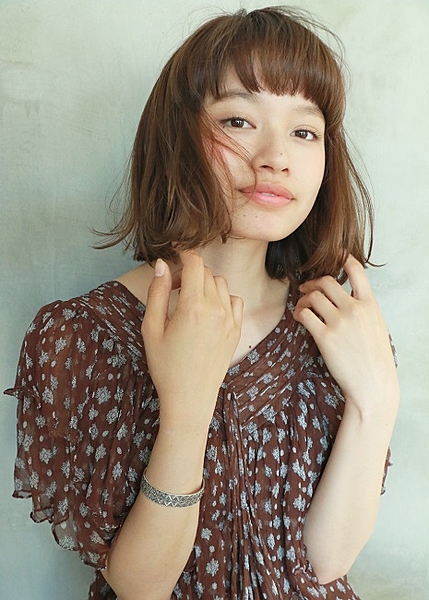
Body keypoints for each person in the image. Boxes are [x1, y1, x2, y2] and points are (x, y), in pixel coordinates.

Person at [5, 6, 399, 600]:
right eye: (239, 121)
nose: (275, 156)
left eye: (304, 131)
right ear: (178, 135)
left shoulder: (334, 327)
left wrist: (377, 400)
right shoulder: (82, 336)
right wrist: (188, 407)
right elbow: (140, 587)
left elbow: (322, 564)